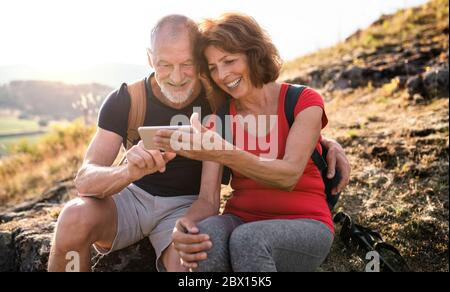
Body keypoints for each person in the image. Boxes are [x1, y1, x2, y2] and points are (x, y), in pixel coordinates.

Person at [48, 14, 350, 272]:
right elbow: (86, 179)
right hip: (136, 198)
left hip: (188, 206)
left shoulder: (218, 98)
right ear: (150, 58)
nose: (177, 77)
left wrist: (323, 143)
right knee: (75, 217)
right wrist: (127, 172)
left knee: (198, 257)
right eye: (164, 65)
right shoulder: (133, 99)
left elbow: (276, 121)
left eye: (187, 64)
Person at [154, 13, 350, 272]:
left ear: (253, 53)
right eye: (213, 68)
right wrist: (184, 226)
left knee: (250, 239)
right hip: (241, 218)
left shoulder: (303, 101)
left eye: (229, 61)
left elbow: (288, 175)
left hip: (306, 222)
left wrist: (223, 151)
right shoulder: (220, 119)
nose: (223, 75)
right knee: (204, 235)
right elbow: (208, 199)